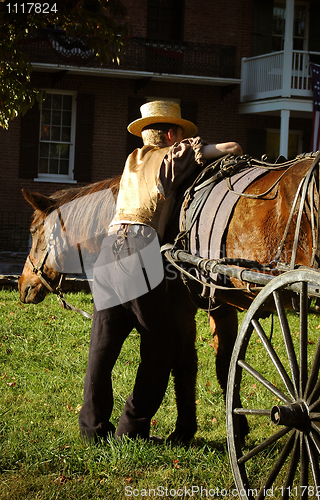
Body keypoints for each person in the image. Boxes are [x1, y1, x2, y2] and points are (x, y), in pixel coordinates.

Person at [78, 100, 242, 443]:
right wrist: (199, 150)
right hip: (139, 248)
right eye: (180, 132)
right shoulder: (173, 154)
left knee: (102, 348)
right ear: (170, 133)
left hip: (109, 249)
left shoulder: (132, 159)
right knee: (162, 342)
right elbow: (232, 148)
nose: (183, 137)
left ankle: (92, 430)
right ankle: (131, 428)